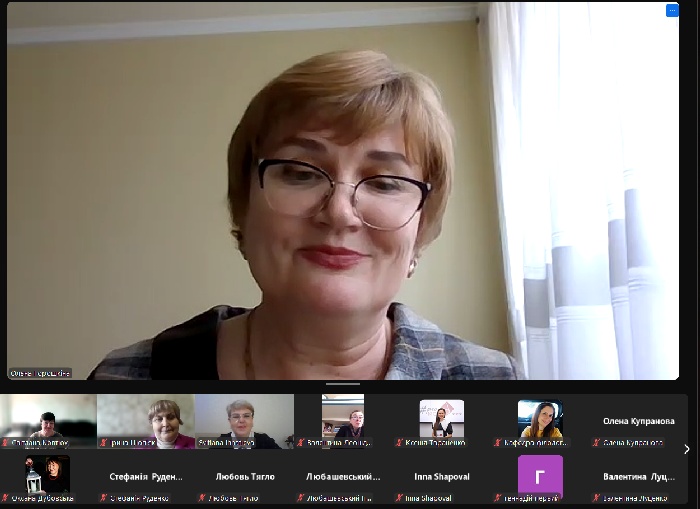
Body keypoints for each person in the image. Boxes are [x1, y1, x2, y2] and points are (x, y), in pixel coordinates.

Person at [87, 49, 524, 381]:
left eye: (385, 182)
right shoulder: (126, 381)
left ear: (421, 227)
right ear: (244, 206)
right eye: (300, 173)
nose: (339, 213)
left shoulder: (494, 383)